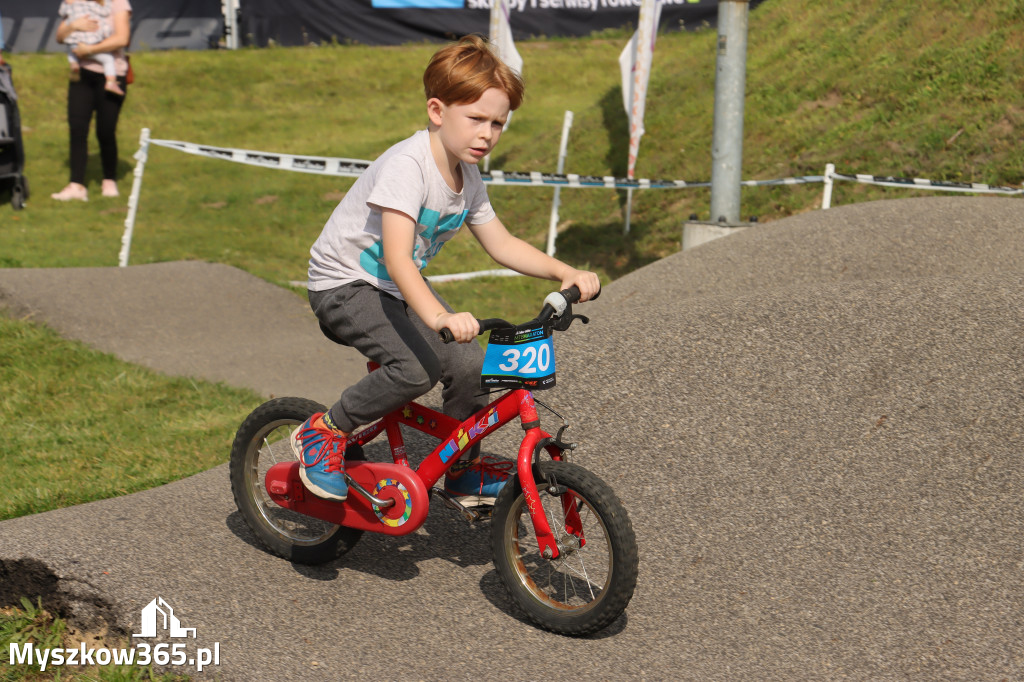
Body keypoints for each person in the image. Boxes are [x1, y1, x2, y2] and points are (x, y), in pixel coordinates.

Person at [293, 35, 600, 505]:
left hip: (393, 286)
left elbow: (500, 243)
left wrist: (564, 272)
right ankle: (324, 431)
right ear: (437, 111)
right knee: (417, 370)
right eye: (476, 119)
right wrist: (438, 318)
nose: (487, 134)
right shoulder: (407, 166)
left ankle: (461, 470)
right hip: (345, 284)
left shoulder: (468, 176)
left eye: (498, 123)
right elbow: (396, 258)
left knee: (473, 365)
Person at [51, 0, 131, 202]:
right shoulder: (73, 2)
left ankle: (109, 180)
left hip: (111, 74)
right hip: (81, 75)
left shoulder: (118, 3)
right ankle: (76, 185)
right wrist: (72, 27)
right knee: (77, 128)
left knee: (105, 130)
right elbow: (60, 38)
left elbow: (122, 39)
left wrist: (90, 51)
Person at [59, 1, 124, 96]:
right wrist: (108, 2)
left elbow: (61, 13)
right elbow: (105, 11)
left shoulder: (69, 7)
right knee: (108, 59)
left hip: (75, 43)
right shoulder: (90, 4)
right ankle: (111, 82)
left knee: (71, 45)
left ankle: (73, 62)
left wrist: (71, 23)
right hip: (90, 43)